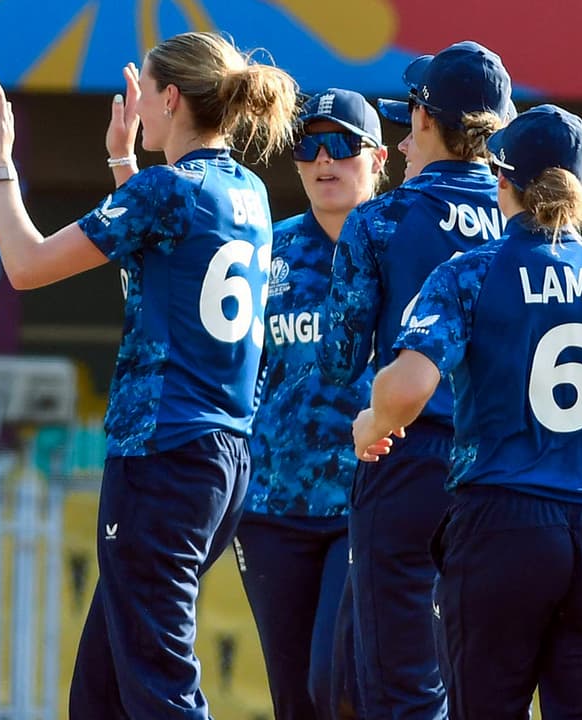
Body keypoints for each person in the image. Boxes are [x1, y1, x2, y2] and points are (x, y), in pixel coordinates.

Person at [0, 31, 297, 719]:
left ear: (171, 98)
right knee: (103, 693)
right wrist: (123, 161)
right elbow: (160, 273)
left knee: (157, 683)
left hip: (164, 457)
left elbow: (27, 265)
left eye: (144, 90)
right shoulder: (248, 191)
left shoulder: (167, 191)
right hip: (221, 457)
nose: (136, 102)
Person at [352, 103, 582, 719]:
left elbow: (405, 389)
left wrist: (374, 424)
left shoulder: (471, 273)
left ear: (501, 180)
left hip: (503, 524)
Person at [317, 40, 512, 720]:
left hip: (409, 458)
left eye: (408, 123)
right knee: (484, 687)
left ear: (428, 121)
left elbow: (338, 362)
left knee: (400, 689)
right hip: (510, 471)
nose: (400, 143)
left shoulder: (381, 219)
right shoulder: (532, 224)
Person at [236, 88, 385, 720]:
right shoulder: (267, 250)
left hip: (369, 501)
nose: (325, 160)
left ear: (378, 159)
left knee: (339, 686)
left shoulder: (401, 246)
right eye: (309, 145)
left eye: (343, 145)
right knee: (294, 699)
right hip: (271, 507)